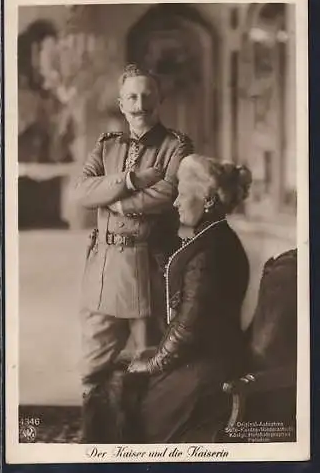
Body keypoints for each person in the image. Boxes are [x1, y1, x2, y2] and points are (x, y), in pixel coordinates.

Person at [72, 64, 193, 442]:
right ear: (121, 104)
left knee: (150, 361)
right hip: (104, 268)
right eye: (132, 97)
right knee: (93, 363)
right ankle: (94, 439)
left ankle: (147, 446)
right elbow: (80, 192)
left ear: (159, 100)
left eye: (147, 96)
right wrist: (128, 180)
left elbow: (168, 194)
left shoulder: (177, 146)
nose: (140, 105)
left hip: (148, 268)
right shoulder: (106, 146)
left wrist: (116, 204)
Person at [128, 154, 252, 443]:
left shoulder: (211, 252)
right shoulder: (213, 238)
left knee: (138, 409)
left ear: (207, 200)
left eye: (183, 195)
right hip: (208, 357)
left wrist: (153, 365)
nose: (176, 203)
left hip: (209, 370)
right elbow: (178, 264)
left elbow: (186, 330)